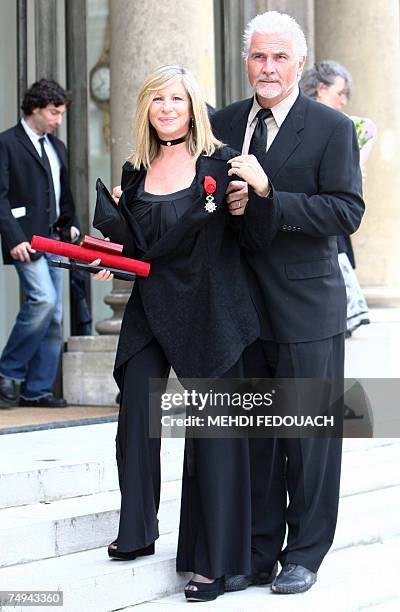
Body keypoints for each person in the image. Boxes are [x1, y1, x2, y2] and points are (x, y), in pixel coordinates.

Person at [92, 64, 276, 602]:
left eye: (177, 98)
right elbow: (139, 251)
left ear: (193, 106)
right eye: (157, 99)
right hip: (151, 309)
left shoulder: (220, 166)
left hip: (213, 310)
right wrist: (105, 256)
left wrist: (259, 196)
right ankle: (136, 531)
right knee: (136, 420)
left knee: (215, 437)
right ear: (145, 109)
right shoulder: (134, 172)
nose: (167, 107)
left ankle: (213, 563)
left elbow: (254, 235)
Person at [211, 11, 364, 594]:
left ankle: (305, 552)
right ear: (245, 61)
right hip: (240, 309)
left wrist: (272, 194)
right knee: (254, 437)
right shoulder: (222, 123)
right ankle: (257, 550)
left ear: (299, 63)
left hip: (305, 308)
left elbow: (345, 211)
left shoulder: (329, 127)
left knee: (307, 439)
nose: (267, 68)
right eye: (258, 57)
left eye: (279, 57)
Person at [0, 79, 79, 409]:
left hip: (55, 239)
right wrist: (14, 239)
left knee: (55, 315)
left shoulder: (57, 147)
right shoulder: (7, 143)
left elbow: (63, 192)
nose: (57, 119)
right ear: (35, 108)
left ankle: (38, 389)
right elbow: (0, 197)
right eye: (53, 112)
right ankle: (8, 373)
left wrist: (70, 224)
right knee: (44, 301)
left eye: (61, 113)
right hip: (26, 241)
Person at [301, 60, 376, 337]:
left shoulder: (342, 127)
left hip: (328, 214)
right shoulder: (305, 122)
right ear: (321, 88)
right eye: (339, 93)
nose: (343, 101)